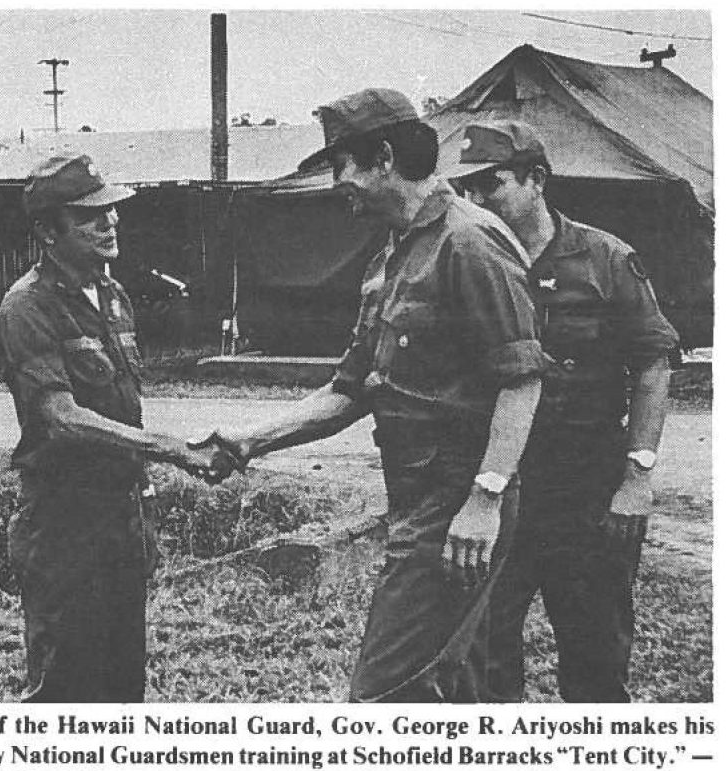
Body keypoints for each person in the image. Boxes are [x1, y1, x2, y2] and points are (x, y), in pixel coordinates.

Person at [193, 89, 545, 702]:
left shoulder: (469, 241)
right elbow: (351, 389)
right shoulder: (396, 250)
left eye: (342, 165)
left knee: (382, 695)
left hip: (456, 500)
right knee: (450, 691)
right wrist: (249, 441)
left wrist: (484, 499)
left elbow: (522, 378)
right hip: (418, 493)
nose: (337, 183)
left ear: (383, 157)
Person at [449, 121, 679, 702]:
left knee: (596, 658)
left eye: (491, 185)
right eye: (466, 189)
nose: (475, 201)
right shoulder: (465, 259)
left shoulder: (603, 257)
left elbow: (653, 362)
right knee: (486, 661)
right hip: (496, 484)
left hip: (585, 485)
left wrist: (638, 477)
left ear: (538, 180)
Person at [0, 154, 224, 702]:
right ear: (49, 232)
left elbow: (124, 405)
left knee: (124, 683)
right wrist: (168, 449)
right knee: (67, 689)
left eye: (113, 211)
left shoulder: (113, 295)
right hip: (64, 523)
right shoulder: (28, 306)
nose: (111, 223)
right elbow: (60, 418)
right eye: (92, 217)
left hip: (120, 517)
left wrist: (143, 497)